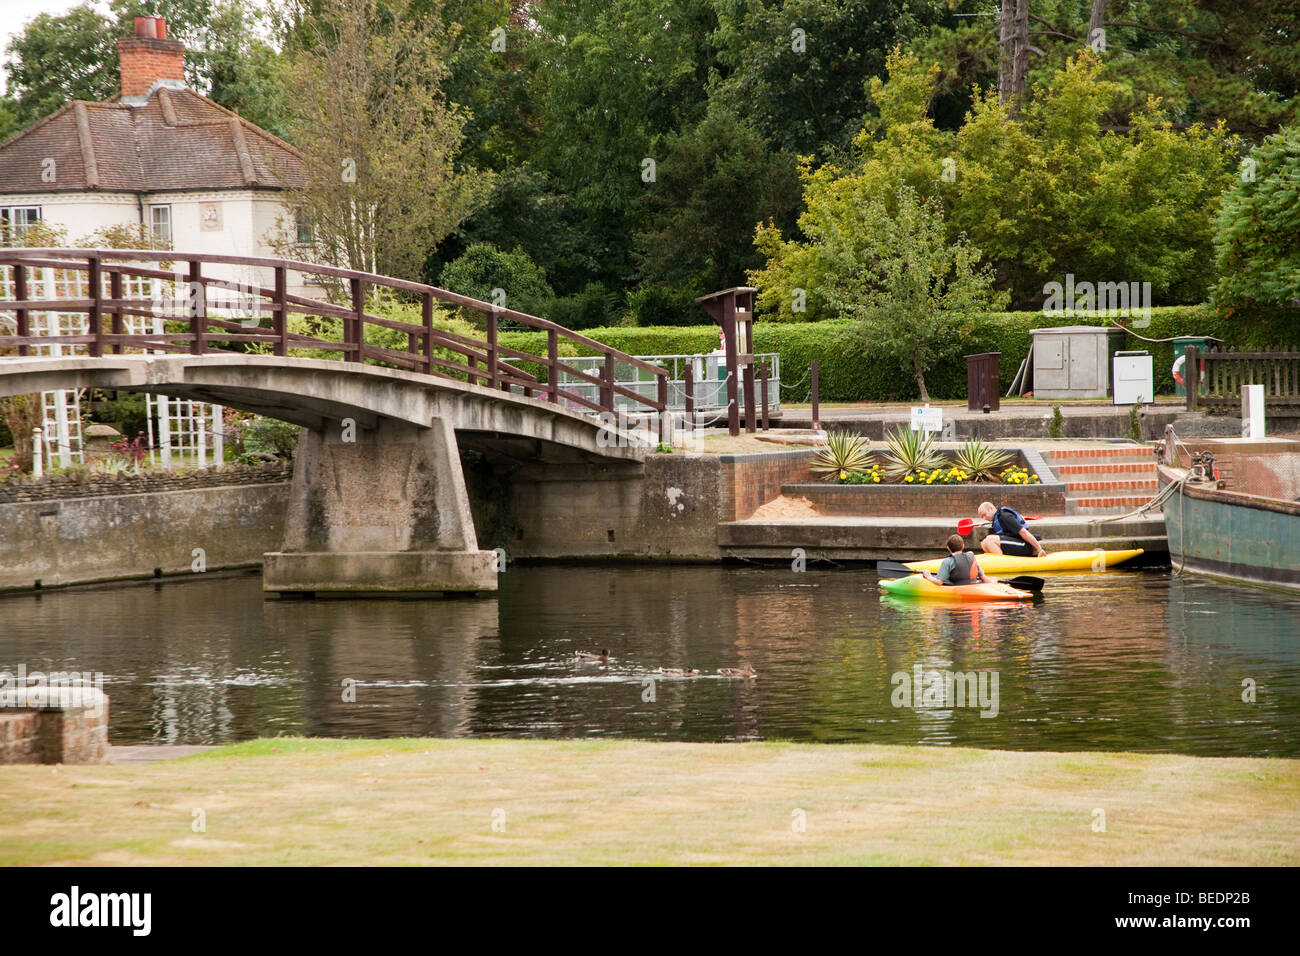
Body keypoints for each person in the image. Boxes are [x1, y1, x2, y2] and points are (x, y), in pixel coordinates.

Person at [977, 501, 1046, 557]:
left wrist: (1039, 549)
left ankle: (1002, 564)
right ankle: (997, 561)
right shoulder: (996, 519)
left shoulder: (1005, 516)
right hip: (1014, 544)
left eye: (984, 515)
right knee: (984, 542)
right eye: (982, 517)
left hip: (1024, 545)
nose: (984, 518)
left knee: (990, 540)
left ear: (991, 508)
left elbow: (1023, 532)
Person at [922, 534, 990, 586]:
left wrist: (928, 576)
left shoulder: (948, 561)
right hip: (974, 585)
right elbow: (983, 577)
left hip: (958, 587)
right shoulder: (971, 556)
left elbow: (939, 582)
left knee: (937, 578)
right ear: (963, 546)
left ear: (948, 548)